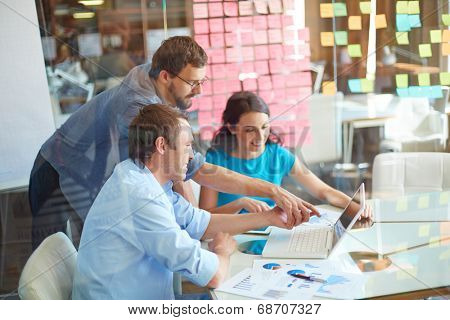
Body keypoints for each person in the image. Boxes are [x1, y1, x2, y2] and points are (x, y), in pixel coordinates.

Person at [29, 36, 317, 250]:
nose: (200, 90)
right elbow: (194, 169)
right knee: (64, 257)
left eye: (203, 81)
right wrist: (271, 189)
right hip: (59, 168)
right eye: (194, 83)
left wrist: (195, 221)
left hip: (93, 168)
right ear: (166, 76)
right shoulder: (136, 106)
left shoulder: (159, 78)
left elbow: (181, 167)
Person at [72, 104, 292, 299]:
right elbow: (213, 276)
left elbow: (201, 224)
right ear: (161, 145)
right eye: (187, 145)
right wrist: (222, 252)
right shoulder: (141, 196)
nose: (191, 155)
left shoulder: (145, 178)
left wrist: (269, 217)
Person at [199, 91, 372, 218]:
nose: (260, 137)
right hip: (232, 239)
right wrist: (240, 204)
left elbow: (323, 191)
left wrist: (355, 208)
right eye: (250, 130)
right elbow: (205, 216)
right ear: (232, 128)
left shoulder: (279, 156)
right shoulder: (216, 159)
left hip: (271, 236)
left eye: (265, 127)